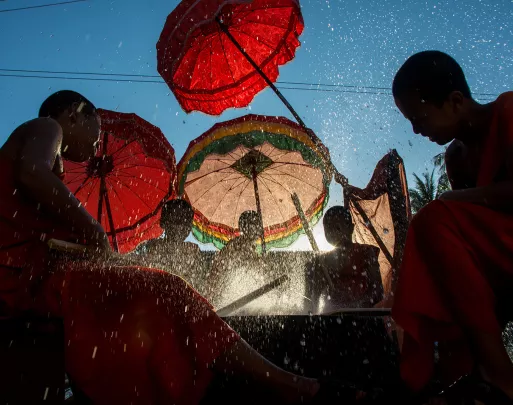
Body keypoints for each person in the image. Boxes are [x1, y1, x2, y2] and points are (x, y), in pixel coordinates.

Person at [0, 91, 323, 404]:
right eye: (96, 136)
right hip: (23, 286)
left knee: (157, 297)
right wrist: (93, 231)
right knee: (169, 288)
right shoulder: (47, 127)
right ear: (74, 113)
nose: (97, 146)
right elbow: (31, 173)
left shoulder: (50, 156)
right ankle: (282, 383)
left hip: (34, 283)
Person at [391, 51, 513, 404]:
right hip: (500, 258)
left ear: (454, 102)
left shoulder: (508, 109)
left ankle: (503, 377)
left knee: (433, 218)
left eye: (419, 118)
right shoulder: (456, 157)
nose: (416, 130)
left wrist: (451, 201)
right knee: (437, 259)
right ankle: (467, 372)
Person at [305, 206, 383, 314]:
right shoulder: (323, 262)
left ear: (351, 228)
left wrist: (356, 306)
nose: (332, 233)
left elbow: (378, 291)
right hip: (332, 317)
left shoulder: (367, 253)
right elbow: (313, 299)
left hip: (363, 317)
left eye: (337, 228)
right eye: (328, 229)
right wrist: (310, 276)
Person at [205, 211, 269, 310]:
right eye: (255, 225)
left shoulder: (246, 246)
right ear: (244, 228)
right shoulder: (238, 246)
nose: (259, 229)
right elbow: (218, 272)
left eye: (258, 225)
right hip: (231, 301)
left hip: (236, 299)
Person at [139, 199, 206, 291]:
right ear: (163, 222)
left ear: (190, 226)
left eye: (186, 221)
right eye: (176, 221)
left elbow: (198, 281)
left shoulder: (193, 249)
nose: (181, 227)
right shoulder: (155, 246)